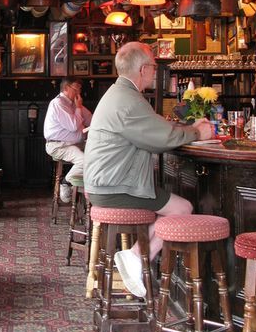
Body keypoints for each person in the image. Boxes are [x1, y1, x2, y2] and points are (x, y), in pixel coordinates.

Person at [84, 42, 214, 298]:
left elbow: (154, 130)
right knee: (183, 208)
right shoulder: (129, 100)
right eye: (154, 67)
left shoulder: (119, 94)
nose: (155, 72)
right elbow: (162, 138)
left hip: (106, 183)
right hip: (115, 187)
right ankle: (135, 257)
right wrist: (199, 131)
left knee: (175, 208)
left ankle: (134, 258)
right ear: (143, 69)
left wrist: (180, 130)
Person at [44, 77, 93, 203]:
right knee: (84, 161)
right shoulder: (58, 103)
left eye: (80, 89)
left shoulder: (74, 104)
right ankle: (66, 183)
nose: (79, 92)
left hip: (74, 144)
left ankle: (90, 190)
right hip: (58, 145)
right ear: (66, 88)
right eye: (77, 88)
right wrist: (78, 108)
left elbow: (91, 119)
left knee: (98, 155)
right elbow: (73, 126)